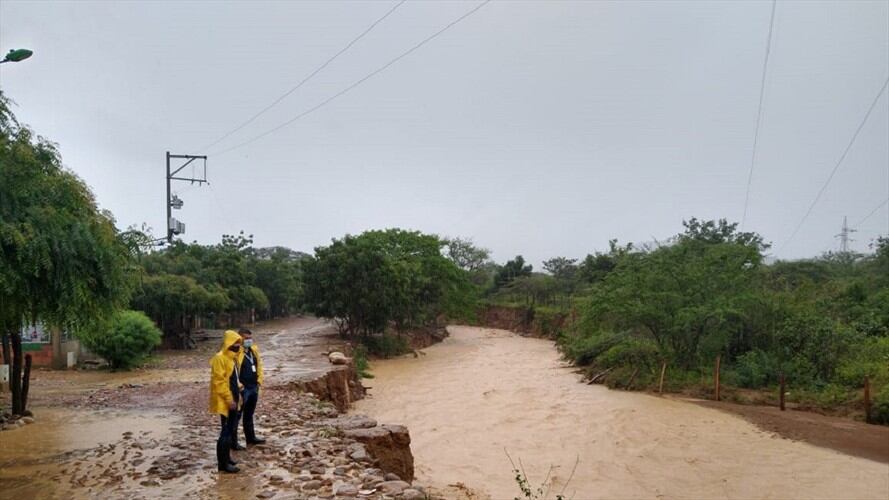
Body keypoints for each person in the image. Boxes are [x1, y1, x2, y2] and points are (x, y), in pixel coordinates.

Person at [209, 330, 243, 473]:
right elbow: (219, 382)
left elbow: (234, 379)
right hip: (226, 400)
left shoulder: (232, 358)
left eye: (238, 343)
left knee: (230, 430)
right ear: (229, 342)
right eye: (235, 342)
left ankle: (227, 458)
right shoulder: (220, 358)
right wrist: (229, 400)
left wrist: (240, 391)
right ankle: (222, 464)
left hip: (234, 398)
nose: (238, 345)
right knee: (225, 431)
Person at [235, 328, 266, 448]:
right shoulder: (237, 353)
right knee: (237, 416)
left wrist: (259, 381)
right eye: (246, 338)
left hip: (254, 386)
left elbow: (259, 365)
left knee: (249, 414)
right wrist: (239, 387)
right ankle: (234, 441)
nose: (249, 340)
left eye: (250, 338)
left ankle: (250, 437)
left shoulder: (253, 351)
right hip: (243, 388)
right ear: (240, 338)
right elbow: (234, 372)